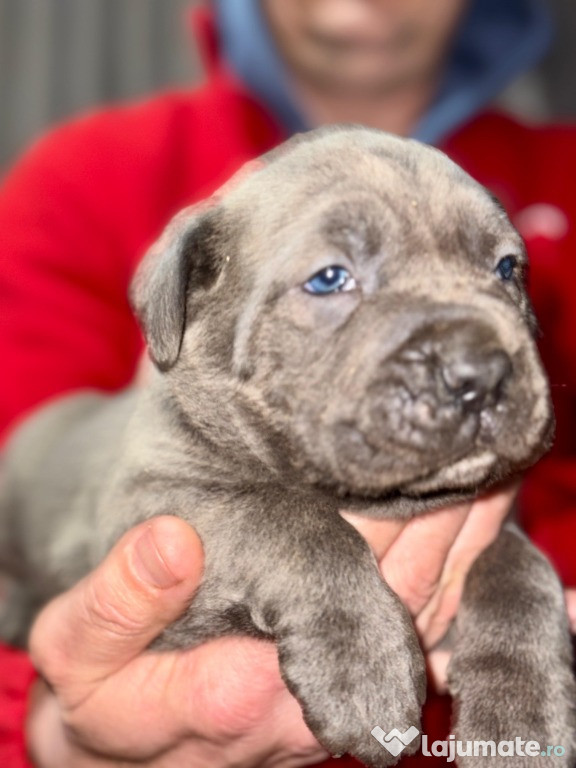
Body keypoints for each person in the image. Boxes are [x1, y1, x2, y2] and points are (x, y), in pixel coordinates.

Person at [0, 1, 575, 766]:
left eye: (501, 267)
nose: (475, 361)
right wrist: (47, 737)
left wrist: (515, 614)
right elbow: (148, 506)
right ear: (182, 305)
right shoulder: (82, 179)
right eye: (332, 278)